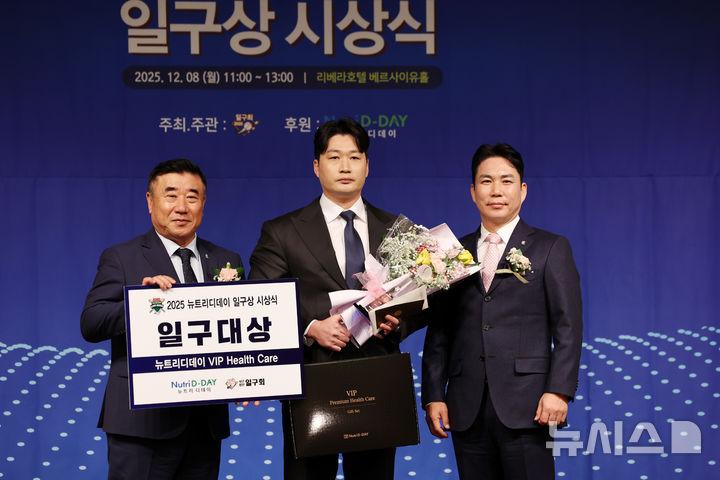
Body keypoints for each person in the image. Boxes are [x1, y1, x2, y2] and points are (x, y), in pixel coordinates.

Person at [249, 118, 408, 479]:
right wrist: (309, 327)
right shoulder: (283, 231)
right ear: (316, 166)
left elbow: (418, 297)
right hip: (312, 379)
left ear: (367, 165)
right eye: (334, 157)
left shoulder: (396, 229)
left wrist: (398, 319)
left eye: (354, 157)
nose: (345, 166)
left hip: (378, 376)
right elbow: (260, 298)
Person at [421, 144, 583, 480]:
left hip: (529, 405)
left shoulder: (550, 248)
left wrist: (559, 390)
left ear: (522, 190)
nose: (496, 191)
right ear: (473, 191)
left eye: (506, 181)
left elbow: (568, 327)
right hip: (466, 406)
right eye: (486, 181)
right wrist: (434, 394)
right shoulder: (452, 253)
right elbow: (439, 331)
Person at [81, 159, 243, 480]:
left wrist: (250, 376)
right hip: (141, 424)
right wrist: (141, 304)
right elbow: (91, 322)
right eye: (171, 195)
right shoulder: (122, 257)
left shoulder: (226, 260)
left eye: (192, 197)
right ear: (150, 201)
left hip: (204, 424)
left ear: (203, 203)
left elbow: (237, 330)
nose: (181, 207)